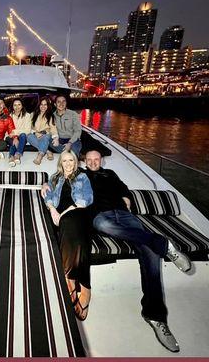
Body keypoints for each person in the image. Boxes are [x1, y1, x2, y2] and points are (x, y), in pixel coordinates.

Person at [83, 149, 191, 352]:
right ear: (85, 161)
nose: (93, 162)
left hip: (124, 215)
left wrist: (126, 197)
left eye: (96, 159)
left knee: (149, 253)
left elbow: (123, 187)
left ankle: (155, 317)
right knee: (104, 226)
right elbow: (63, 178)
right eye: (89, 160)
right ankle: (165, 245)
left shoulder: (111, 173)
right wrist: (47, 184)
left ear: (101, 160)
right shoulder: (81, 175)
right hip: (101, 216)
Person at [42, 150, 94, 321]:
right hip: (60, 216)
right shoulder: (55, 177)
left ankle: (71, 282)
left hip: (77, 212)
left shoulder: (82, 177)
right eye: (65, 161)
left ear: (75, 161)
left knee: (71, 224)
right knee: (79, 239)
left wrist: (63, 213)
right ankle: (83, 288)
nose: (68, 163)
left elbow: (87, 199)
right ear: (60, 163)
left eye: (71, 160)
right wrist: (52, 211)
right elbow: (48, 196)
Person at [27, 96, 58, 165]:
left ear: (48, 106)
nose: (43, 106)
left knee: (46, 137)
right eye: (41, 104)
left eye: (45, 104)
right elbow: (29, 127)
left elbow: (53, 128)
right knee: (28, 136)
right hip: (35, 135)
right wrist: (35, 133)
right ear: (39, 105)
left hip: (45, 134)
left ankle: (40, 156)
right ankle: (47, 151)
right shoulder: (33, 114)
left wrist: (56, 138)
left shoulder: (51, 116)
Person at [7, 98, 31, 167]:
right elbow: (8, 130)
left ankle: (17, 154)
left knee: (23, 135)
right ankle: (12, 156)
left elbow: (27, 130)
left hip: (21, 137)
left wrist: (15, 132)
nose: (17, 107)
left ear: (22, 106)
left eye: (19, 104)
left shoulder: (27, 115)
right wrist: (14, 137)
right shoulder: (9, 116)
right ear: (12, 106)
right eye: (15, 105)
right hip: (10, 136)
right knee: (13, 141)